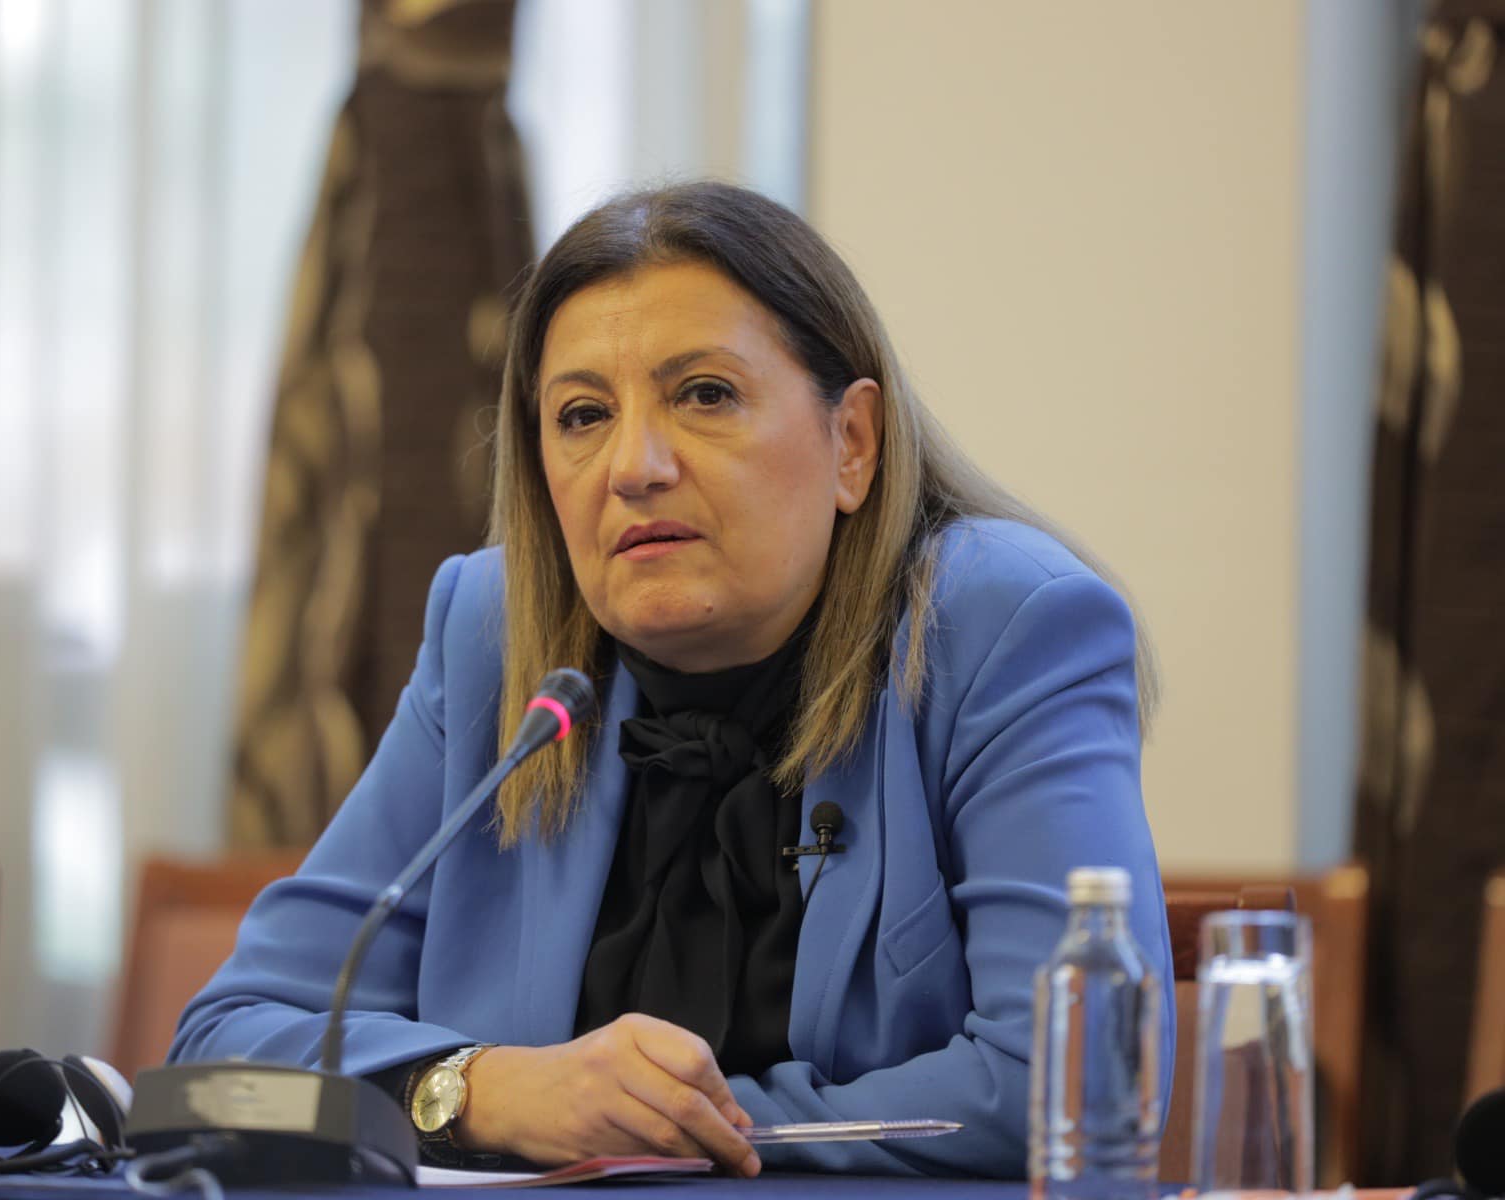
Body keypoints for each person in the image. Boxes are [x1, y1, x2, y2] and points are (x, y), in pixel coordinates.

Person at [171, 181, 1175, 1179]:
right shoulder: (495, 638)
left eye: (704, 396)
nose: (634, 467)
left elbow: (1077, 1082)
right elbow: (219, 1055)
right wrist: (483, 1091)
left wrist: (660, 1126)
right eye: (582, 415)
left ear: (853, 444)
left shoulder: (1001, 626)